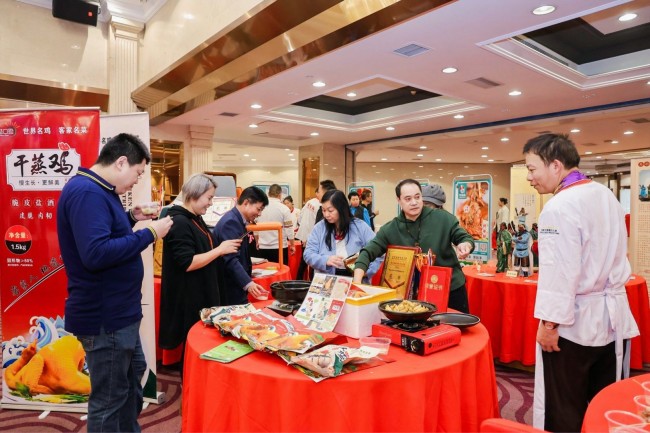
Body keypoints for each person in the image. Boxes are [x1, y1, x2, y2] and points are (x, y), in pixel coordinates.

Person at [57, 133, 173, 432]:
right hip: (105, 317)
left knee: (130, 385)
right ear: (121, 162)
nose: (137, 180)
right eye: (138, 172)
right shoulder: (88, 192)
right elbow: (95, 253)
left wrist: (130, 217)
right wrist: (150, 234)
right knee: (109, 399)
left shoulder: (99, 190)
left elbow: (102, 233)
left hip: (119, 313)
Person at [523, 133, 639, 432]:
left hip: (573, 324)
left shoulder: (558, 207)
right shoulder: (606, 196)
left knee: (564, 405)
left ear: (556, 166)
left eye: (532, 168)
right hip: (612, 318)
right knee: (605, 402)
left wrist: (550, 325)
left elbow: (560, 272)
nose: (529, 177)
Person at [159, 174, 241, 375]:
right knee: (192, 347)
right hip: (189, 296)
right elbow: (187, 262)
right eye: (209, 198)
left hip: (200, 291)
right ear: (195, 195)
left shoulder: (194, 219)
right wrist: (219, 250)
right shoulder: (179, 222)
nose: (211, 203)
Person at [352, 179, 474, 313]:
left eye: (417, 197)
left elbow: (463, 237)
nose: (414, 202)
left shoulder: (443, 218)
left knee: (457, 332)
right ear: (399, 200)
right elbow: (367, 252)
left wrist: (465, 244)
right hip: (413, 298)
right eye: (408, 199)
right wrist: (357, 283)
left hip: (451, 290)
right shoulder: (391, 229)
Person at [212, 186, 269, 305]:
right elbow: (231, 259)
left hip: (235, 284)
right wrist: (248, 284)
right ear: (246, 202)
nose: (259, 214)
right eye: (258, 209)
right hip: (230, 286)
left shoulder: (238, 220)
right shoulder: (231, 222)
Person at [305, 190, 376, 276]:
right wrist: (325, 260)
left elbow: (376, 250)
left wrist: (366, 271)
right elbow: (308, 254)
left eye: (330, 211)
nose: (326, 215)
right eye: (323, 210)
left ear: (342, 209)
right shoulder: (319, 228)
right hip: (327, 279)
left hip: (354, 278)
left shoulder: (359, 226)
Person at [295, 179, 336, 279]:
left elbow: (301, 219)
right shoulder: (318, 207)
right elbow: (314, 225)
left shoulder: (319, 205)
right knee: (308, 264)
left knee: (306, 265)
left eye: (319, 192)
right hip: (314, 245)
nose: (327, 214)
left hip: (328, 259)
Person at [256, 184, 295, 264]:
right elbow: (289, 229)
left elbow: (255, 226)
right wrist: (292, 245)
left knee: (264, 273)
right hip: (280, 247)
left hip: (263, 246)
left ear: (268, 193)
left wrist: (257, 241)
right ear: (280, 195)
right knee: (280, 272)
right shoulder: (284, 209)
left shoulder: (260, 207)